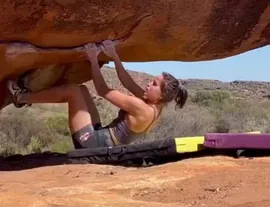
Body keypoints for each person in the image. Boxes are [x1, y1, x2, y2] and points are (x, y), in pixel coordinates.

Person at [7, 41, 188, 150]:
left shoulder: (142, 108)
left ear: (162, 94)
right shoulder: (156, 105)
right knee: (83, 90)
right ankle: (25, 97)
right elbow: (128, 83)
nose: (149, 83)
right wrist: (115, 56)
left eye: (154, 84)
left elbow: (103, 90)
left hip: (91, 144)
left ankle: (22, 97)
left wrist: (93, 59)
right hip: (100, 137)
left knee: (73, 91)